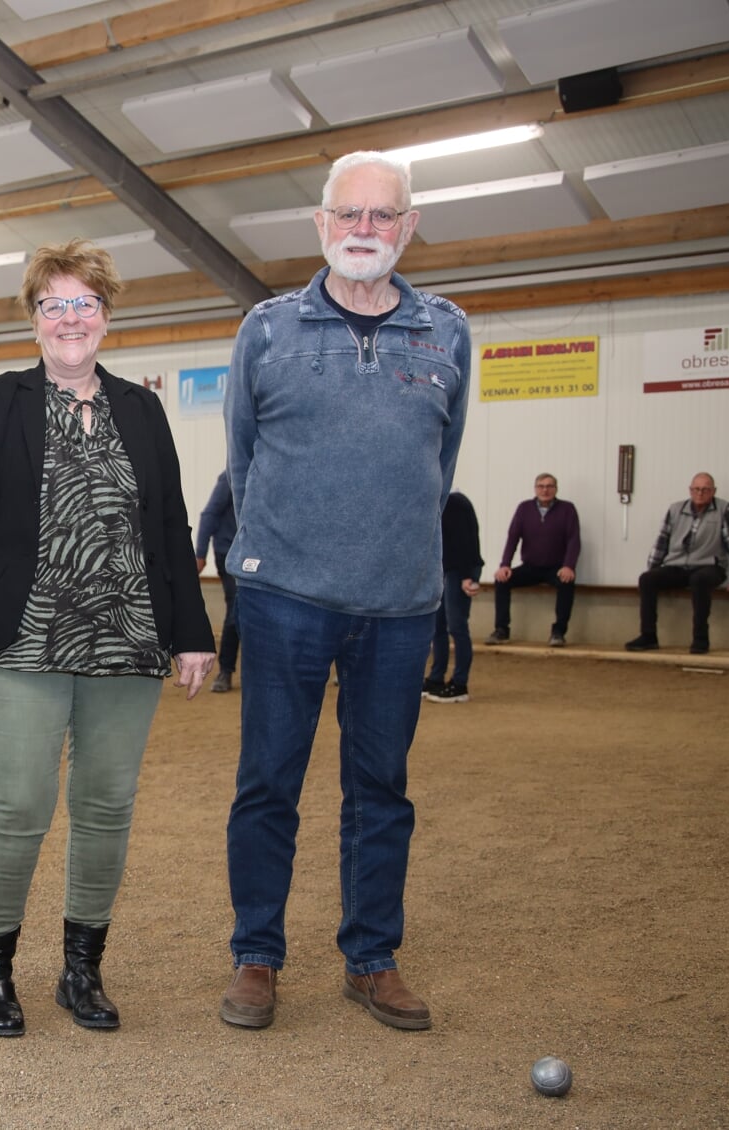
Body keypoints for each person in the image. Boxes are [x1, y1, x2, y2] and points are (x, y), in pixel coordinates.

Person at [0, 240, 217, 1039]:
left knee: (106, 807)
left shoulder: (142, 407)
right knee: (20, 803)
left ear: (106, 316)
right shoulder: (1, 399)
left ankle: (81, 968)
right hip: (22, 640)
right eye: (53, 304)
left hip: (129, 641)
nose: (70, 318)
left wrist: (190, 632)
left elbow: (168, 522)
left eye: (84, 303)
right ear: (33, 319)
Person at [218, 150, 469, 1034]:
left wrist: (393, 551)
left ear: (408, 227)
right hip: (285, 598)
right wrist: (280, 555)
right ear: (322, 225)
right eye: (349, 216)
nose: (366, 231)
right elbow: (242, 462)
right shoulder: (269, 328)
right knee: (268, 785)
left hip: (399, 607)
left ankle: (372, 959)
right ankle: (257, 955)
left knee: (381, 789)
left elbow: (437, 469)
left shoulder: (447, 331)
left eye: (383, 216)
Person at [627, 472, 729, 655]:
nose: (700, 493)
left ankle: (700, 640)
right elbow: (662, 541)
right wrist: (653, 569)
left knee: (699, 580)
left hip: (709, 565)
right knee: (647, 579)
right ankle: (648, 636)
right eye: (697, 489)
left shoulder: (724, 509)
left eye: (706, 489)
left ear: (713, 491)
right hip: (677, 565)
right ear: (690, 490)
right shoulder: (675, 509)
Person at [486, 473, 580, 647]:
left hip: (557, 568)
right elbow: (513, 537)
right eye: (541, 486)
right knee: (502, 580)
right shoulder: (524, 508)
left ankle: (558, 632)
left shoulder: (567, 509)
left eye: (549, 486)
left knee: (567, 583)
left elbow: (574, 540)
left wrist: (569, 566)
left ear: (556, 489)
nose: (545, 490)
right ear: (535, 489)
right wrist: (505, 565)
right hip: (530, 567)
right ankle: (501, 630)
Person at [424, 490, 483, 704]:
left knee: (457, 627)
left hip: (461, 571)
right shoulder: (436, 502)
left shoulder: (455, 502)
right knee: (437, 627)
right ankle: (436, 678)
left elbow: (465, 541)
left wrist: (467, 576)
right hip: (445, 571)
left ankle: (460, 684)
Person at [195, 469, 241, 693]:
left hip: (256, 556)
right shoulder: (230, 476)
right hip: (229, 553)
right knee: (236, 608)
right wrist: (200, 553)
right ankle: (225, 671)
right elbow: (209, 514)